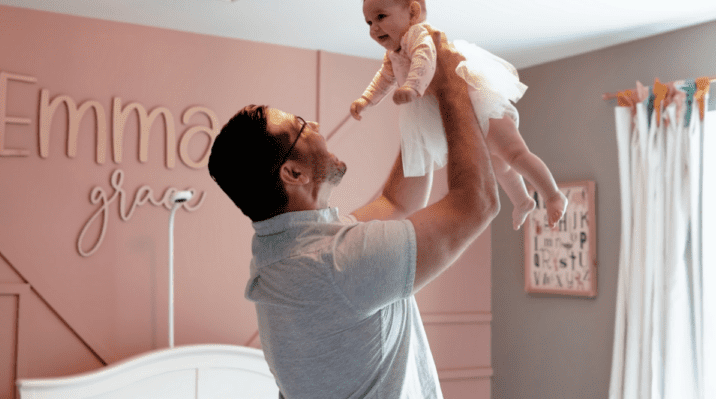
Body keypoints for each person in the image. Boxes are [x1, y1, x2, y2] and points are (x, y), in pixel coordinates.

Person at [208, 27, 499, 398]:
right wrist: (451, 81)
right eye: (300, 126)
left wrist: (418, 100)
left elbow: (397, 203)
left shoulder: (286, 255)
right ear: (293, 173)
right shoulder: (334, 264)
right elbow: (478, 203)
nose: (313, 125)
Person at [350, 0, 567, 229]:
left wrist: (412, 87)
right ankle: (522, 201)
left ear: (412, 13)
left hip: (480, 105)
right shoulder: (392, 55)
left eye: (381, 17)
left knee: (515, 154)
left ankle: (553, 196)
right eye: (369, 22)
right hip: (464, 117)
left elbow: (424, 62)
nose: (374, 28)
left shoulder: (419, 36)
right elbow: (383, 80)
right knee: (500, 167)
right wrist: (365, 100)